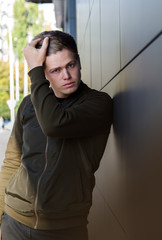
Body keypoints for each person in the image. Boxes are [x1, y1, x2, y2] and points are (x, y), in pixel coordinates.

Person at [0, 30, 112, 240]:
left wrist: (34, 69)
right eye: (55, 70)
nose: (66, 76)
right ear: (45, 74)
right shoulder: (27, 105)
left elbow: (54, 124)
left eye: (70, 65)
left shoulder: (98, 103)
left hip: (63, 228)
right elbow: (12, 161)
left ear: (79, 62)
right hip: (14, 222)